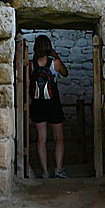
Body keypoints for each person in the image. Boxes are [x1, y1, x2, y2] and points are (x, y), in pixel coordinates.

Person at [29, 35, 69, 179]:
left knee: (41, 139)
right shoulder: (55, 63)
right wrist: (56, 56)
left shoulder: (31, 64)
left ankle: (45, 171)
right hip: (53, 103)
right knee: (59, 137)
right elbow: (65, 73)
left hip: (38, 104)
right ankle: (58, 169)